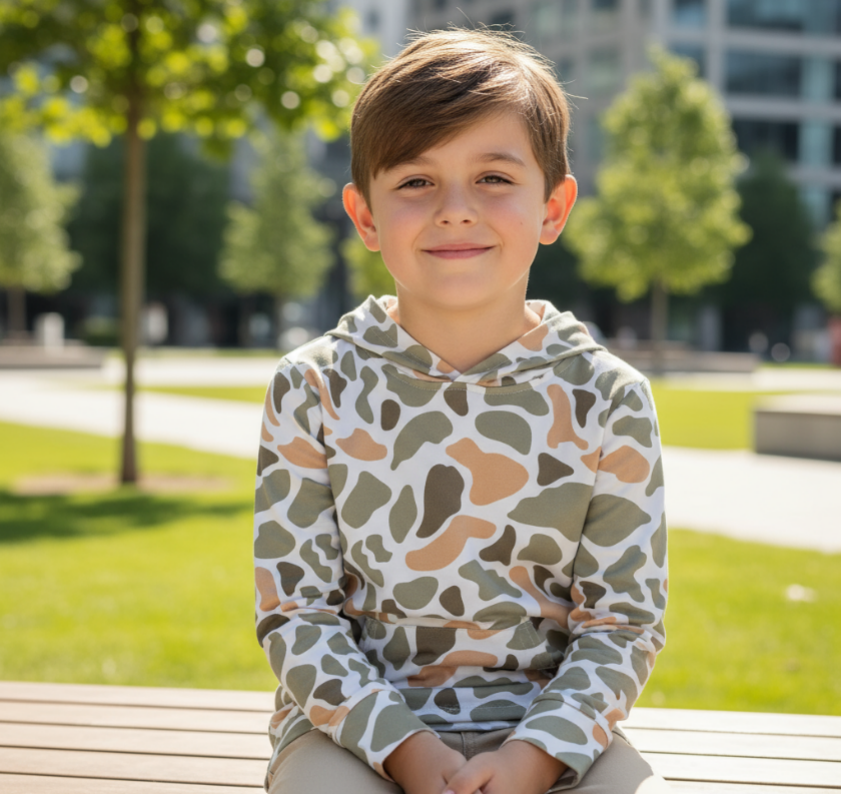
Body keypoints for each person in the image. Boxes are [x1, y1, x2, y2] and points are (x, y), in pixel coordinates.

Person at [254, 27, 668, 794]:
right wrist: (407, 751)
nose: (454, 210)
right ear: (365, 216)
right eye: (415, 181)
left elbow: (622, 624)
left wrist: (532, 758)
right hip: (352, 734)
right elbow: (296, 615)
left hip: (551, 729)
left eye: (492, 178)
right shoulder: (312, 387)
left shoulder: (609, 398)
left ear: (552, 208)